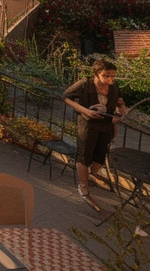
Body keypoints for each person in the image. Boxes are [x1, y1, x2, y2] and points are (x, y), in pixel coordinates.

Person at [64, 59, 127, 211]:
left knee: (99, 157)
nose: (110, 80)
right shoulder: (85, 84)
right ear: (97, 74)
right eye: (106, 76)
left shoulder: (114, 87)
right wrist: (84, 110)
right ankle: (84, 187)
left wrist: (120, 113)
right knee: (85, 155)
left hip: (106, 125)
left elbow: (120, 105)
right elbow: (65, 96)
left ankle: (91, 174)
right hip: (88, 124)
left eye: (113, 76)